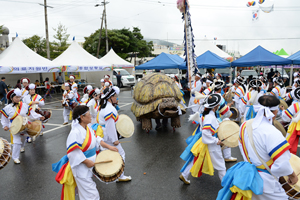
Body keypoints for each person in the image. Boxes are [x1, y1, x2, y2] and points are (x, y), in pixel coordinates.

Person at [217, 95, 297, 200]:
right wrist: (292, 175)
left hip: (248, 176)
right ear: (275, 112)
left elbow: (243, 149)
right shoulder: (273, 132)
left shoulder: (244, 125)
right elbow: (282, 165)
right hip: (266, 182)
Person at [52, 105, 118, 200]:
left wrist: (109, 146)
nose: (91, 116)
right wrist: (87, 162)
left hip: (90, 165)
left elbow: (97, 139)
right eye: (88, 114)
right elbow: (74, 152)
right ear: (82, 117)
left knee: (85, 194)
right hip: (81, 168)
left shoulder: (88, 128)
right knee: (92, 195)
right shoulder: (75, 132)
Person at [179, 93, 226, 185]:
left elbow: (203, 129)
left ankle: (184, 175)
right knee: (221, 166)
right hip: (211, 145)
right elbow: (205, 133)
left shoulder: (206, 115)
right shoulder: (210, 117)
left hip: (203, 143)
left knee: (196, 159)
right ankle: (226, 185)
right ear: (215, 106)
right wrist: (216, 141)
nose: (219, 105)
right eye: (218, 104)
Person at [0, 89, 45, 164]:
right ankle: (15, 157)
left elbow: (32, 113)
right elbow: (4, 119)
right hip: (14, 127)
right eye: (16, 97)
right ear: (11, 98)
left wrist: (39, 116)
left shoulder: (24, 105)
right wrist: (5, 125)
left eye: (19, 97)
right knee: (17, 141)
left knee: (23, 139)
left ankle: (22, 147)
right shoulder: (7, 108)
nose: (18, 99)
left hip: (25, 125)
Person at [97, 86, 131, 182]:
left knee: (106, 154)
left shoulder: (105, 107)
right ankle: (119, 176)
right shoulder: (109, 110)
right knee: (121, 154)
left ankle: (113, 174)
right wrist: (115, 140)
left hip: (104, 135)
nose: (117, 98)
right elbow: (110, 127)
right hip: (108, 136)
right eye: (115, 96)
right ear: (110, 97)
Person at [281, 87, 300, 155]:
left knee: (290, 142)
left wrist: (283, 110)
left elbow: (286, 117)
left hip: (295, 125)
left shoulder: (295, 105)